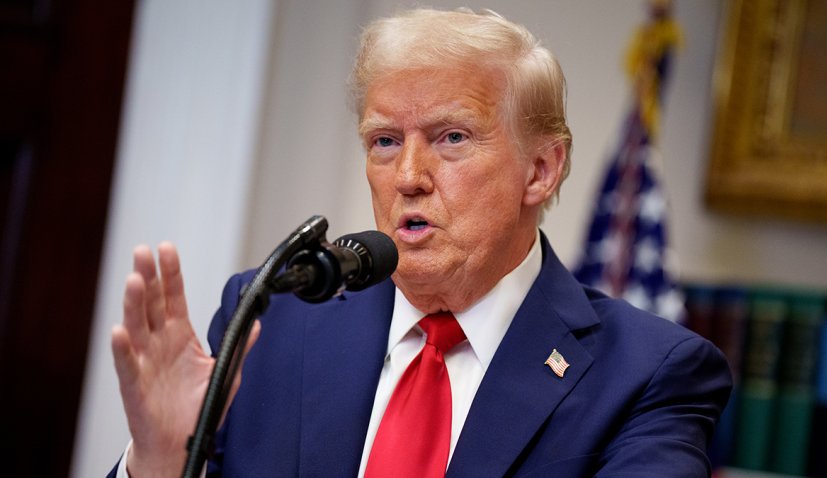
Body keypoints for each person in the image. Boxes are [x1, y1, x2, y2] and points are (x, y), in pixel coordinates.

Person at [109, 8, 731, 477]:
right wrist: (161, 461)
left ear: (541, 170)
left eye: (452, 137)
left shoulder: (649, 376)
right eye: (384, 141)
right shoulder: (270, 319)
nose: (407, 176)